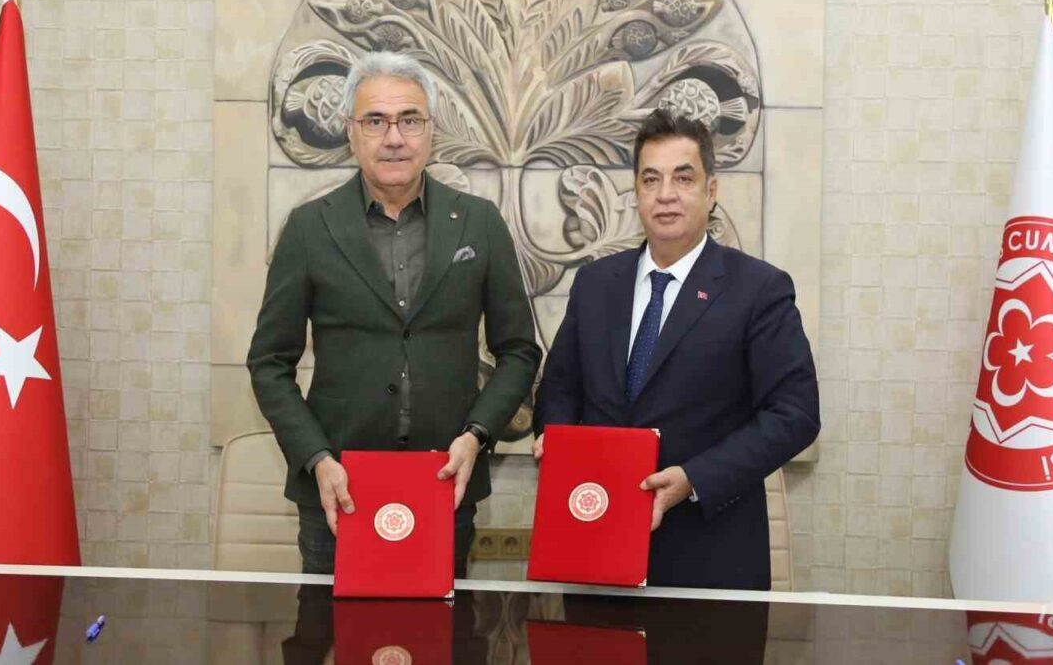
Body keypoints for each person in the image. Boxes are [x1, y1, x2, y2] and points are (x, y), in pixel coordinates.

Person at [247, 51, 540, 577]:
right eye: (375, 121)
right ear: (350, 132)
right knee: (327, 624)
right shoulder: (309, 229)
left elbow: (519, 351)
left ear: (431, 131)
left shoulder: (479, 223)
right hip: (338, 492)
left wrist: (476, 435)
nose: (394, 138)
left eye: (410, 120)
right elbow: (269, 362)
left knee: (442, 626)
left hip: (445, 485)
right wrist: (317, 458)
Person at [533, 108, 820, 589]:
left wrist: (694, 478)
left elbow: (796, 415)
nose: (665, 194)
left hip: (711, 553)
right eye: (651, 179)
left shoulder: (758, 289)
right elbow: (560, 388)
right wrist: (557, 439)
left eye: (683, 178)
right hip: (595, 546)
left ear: (711, 191)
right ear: (636, 193)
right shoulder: (595, 284)